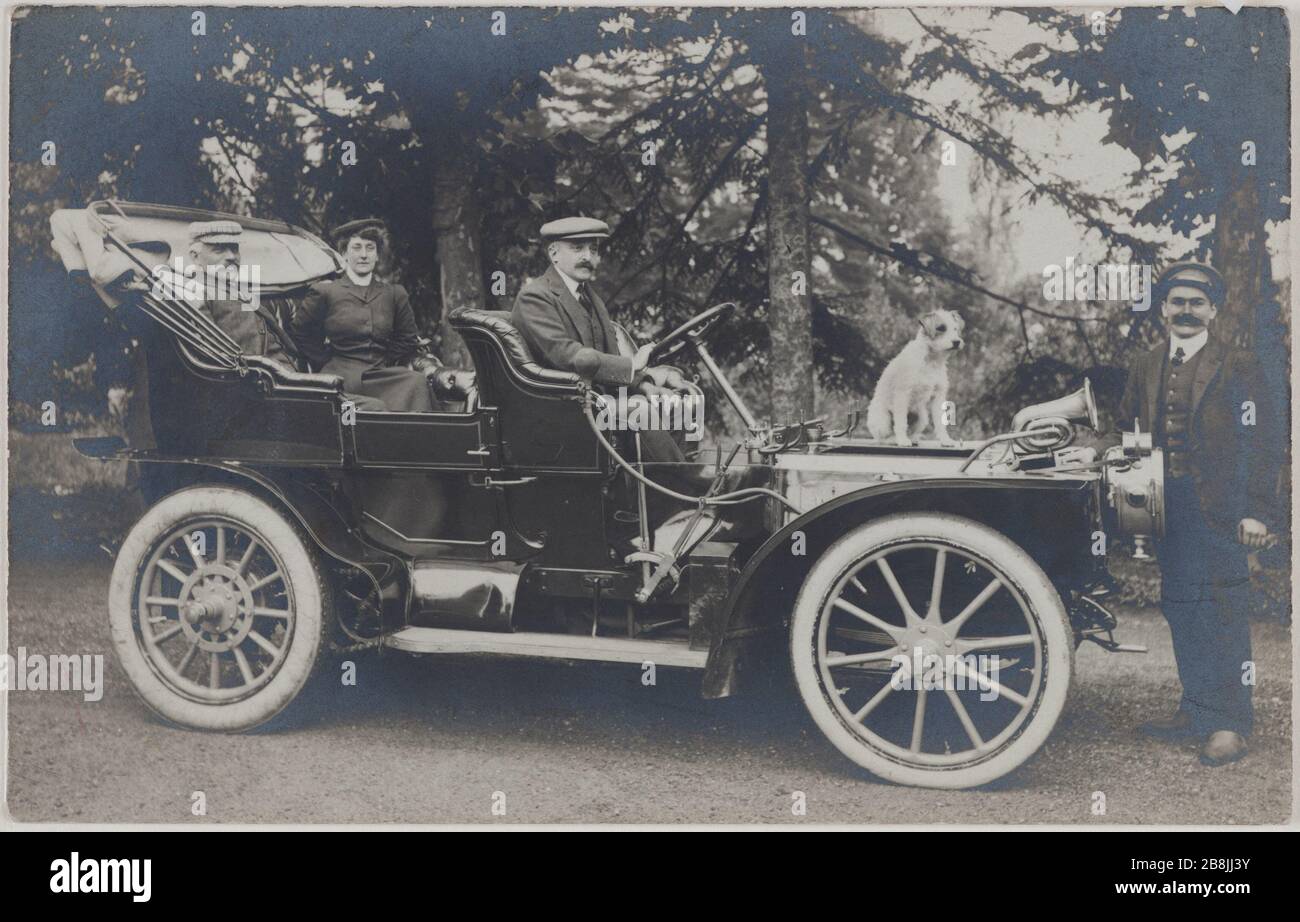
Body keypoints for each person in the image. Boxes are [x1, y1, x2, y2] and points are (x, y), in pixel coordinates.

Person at [1118, 261, 1281, 767]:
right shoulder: (1146, 364)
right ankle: (1195, 709)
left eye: (1196, 302)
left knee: (1225, 611)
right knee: (1183, 606)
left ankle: (1232, 724)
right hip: (1167, 508)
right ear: (1164, 309)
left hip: (1222, 512)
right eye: (1176, 301)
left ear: (1212, 309)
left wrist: (1257, 512)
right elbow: (1130, 433)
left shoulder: (1239, 364)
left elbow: (1264, 443)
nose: (1185, 311)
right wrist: (1129, 505)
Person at [290, 218, 441, 412]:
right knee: (375, 407)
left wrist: (384, 359)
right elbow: (300, 331)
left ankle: (420, 441)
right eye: (357, 248)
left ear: (377, 255)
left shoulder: (394, 293)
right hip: (340, 376)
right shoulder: (326, 292)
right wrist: (325, 360)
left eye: (370, 248)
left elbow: (407, 338)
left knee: (417, 382)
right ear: (344, 253)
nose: (363, 255)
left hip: (380, 374)